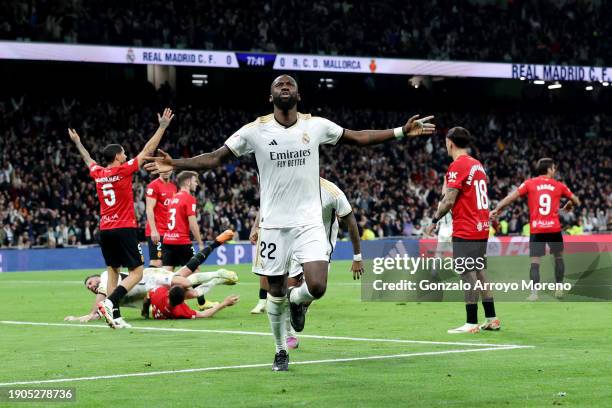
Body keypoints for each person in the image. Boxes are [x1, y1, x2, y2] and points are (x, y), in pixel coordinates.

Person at [144, 74, 434, 370]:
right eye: (278, 85)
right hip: (273, 225)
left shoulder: (316, 125)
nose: (284, 87)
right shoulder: (254, 131)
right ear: (271, 97)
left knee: (317, 286)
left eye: (290, 85)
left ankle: (300, 300)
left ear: (299, 95)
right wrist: (176, 163)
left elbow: (359, 137)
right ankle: (281, 350)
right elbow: (215, 158)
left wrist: (400, 131)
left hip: (308, 223)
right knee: (276, 292)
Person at [68, 108, 174, 329]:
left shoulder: (98, 173)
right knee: (137, 271)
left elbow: (88, 159)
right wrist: (162, 127)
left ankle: (114, 316)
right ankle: (110, 302)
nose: (126, 155)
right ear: (117, 157)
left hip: (105, 229)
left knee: (113, 270)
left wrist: (78, 142)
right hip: (124, 227)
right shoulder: (124, 170)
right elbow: (148, 150)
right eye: (124, 153)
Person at [249, 177, 364, 350]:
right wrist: (256, 226)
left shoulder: (332, 192)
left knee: (315, 290)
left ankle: (296, 300)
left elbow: (351, 221)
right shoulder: (291, 183)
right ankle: (289, 334)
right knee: (289, 286)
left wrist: (357, 257)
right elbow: (268, 200)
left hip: (320, 247)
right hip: (294, 241)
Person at [64, 231, 238, 324]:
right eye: (89, 288)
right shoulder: (109, 298)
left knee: (184, 279)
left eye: (90, 283)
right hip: (149, 291)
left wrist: (89, 314)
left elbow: (99, 302)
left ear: (97, 277)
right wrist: (79, 318)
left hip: (149, 278)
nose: (91, 287)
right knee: (190, 291)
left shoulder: (105, 276)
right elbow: (100, 311)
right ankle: (217, 275)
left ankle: (217, 273)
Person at [425, 127, 500, 334]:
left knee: (467, 274)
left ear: (450, 142)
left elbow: (448, 200)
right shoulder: (478, 165)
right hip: (481, 227)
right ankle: (492, 318)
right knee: (479, 272)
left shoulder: (457, 166)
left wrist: (434, 220)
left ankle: (471, 322)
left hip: (466, 228)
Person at [490, 158, 580, 300]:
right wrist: (568, 206)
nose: (555, 170)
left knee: (535, 262)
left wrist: (497, 209)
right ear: (549, 169)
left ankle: (534, 293)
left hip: (537, 229)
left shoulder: (529, 183)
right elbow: (575, 200)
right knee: (558, 258)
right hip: (554, 229)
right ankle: (559, 289)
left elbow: (511, 197)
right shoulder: (559, 185)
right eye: (554, 168)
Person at [162, 170, 213, 309]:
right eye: (195, 181)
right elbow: (192, 223)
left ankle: (156, 302)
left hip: (167, 241)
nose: (197, 184)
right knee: (196, 271)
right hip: (181, 241)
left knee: (166, 276)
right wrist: (201, 243)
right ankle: (202, 302)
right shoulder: (188, 198)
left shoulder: (173, 198)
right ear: (188, 182)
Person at [145, 172, 177, 268]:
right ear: (159, 169)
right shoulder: (153, 186)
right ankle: (147, 282)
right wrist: (154, 230)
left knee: (169, 264)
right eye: (163, 169)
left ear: (172, 170)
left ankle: (163, 283)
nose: (166, 172)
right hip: (158, 231)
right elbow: (149, 209)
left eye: (168, 169)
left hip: (169, 232)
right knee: (157, 262)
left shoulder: (174, 187)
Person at [148, 286, 239, 320]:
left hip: (157, 312)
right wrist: (224, 303)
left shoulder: (159, 292)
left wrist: (144, 311)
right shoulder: (180, 311)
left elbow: (147, 296)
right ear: (182, 301)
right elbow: (203, 314)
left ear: (169, 292)